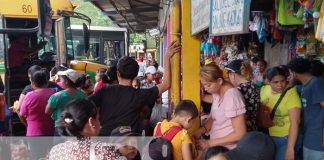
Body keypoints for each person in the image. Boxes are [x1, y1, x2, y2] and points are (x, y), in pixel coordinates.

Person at [88, 41, 181, 136]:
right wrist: (167, 57)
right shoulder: (139, 95)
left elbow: (83, 107)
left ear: (118, 74)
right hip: (130, 146)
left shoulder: (104, 91)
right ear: (136, 75)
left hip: (105, 143)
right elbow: (166, 84)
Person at [48, 99, 129, 160]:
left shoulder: (56, 150)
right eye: (98, 119)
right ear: (91, 122)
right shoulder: (106, 151)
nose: (100, 124)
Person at [194, 63, 246, 150]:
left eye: (208, 85)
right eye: (204, 85)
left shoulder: (232, 97)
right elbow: (213, 118)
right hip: (217, 148)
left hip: (228, 150)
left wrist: (210, 143)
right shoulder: (216, 93)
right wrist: (201, 130)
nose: (206, 89)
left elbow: (240, 133)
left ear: (219, 81)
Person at [260, 67, 301, 160]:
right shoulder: (264, 90)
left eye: (282, 81)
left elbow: (295, 122)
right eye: (275, 82)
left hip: (285, 138)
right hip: (268, 136)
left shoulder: (291, 94)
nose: (280, 85)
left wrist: (290, 149)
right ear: (268, 82)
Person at [288, 58, 324, 160]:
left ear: (294, 73)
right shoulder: (305, 85)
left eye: (290, 73)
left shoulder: (316, 83)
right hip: (309, 136)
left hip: (318, 138)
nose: (289, 76)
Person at [18, 70, 56, 159]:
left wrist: (26, 124)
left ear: (33, 83)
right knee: (51, 156)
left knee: (36, 157)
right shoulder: (54, 93)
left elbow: (21, 114)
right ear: (47, 83)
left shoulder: (29, 95)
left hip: (34, 132)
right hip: (51, 131)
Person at [45, 69, 87, 137]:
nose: (60, 81)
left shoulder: (57, 96)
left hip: (61, 128)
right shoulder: (84, 95)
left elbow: (47, 111)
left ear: (66, 81)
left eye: (61, 79)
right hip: (77, 128)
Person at [225, 60, 259, 131]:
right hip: (254, 126)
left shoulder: (239, 90)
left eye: (229, 73)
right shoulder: (254, 86)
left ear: (233, 75)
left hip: (243, 129)